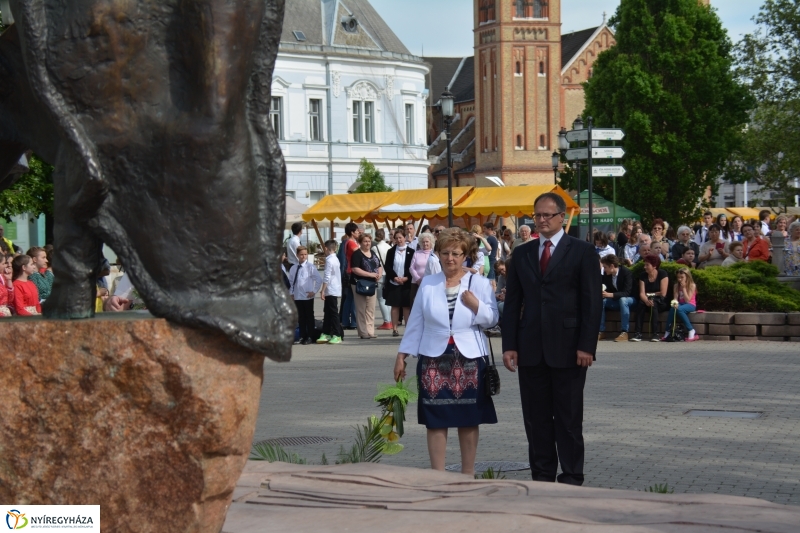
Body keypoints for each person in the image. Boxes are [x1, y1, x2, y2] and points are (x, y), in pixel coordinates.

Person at [501, 192, 601, 486]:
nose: (541, 220)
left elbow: (592, 303)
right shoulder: (521, 254)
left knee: (569, 419)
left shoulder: (582, 252)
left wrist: (587, 346)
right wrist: (509, 345)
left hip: (570, 349)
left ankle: (571, 476)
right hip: (530, 348)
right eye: (537, 215)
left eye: (547, 215)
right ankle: (542, 477)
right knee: (536, 419)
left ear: (561, 217)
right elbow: (512, 303)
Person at [394, 229, 498, 477]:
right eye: (445, 253)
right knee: (435, 416)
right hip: (432, 356)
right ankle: (437, 476)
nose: (450, 258)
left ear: (466, 256)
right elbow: (416, 321)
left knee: (468, 417)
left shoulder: (480, 284)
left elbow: (492, 319)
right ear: (438, 255)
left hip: (470, 357)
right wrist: (401, 355)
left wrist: (476, 306)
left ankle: (468, 474)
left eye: (456, 253)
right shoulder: (428, 283)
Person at [350, 233, 382, 340]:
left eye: (369, 241)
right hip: (359, 283)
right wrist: (370, 274)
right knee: (361, 308)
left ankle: (370, 331)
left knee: (371, 309)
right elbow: (355, 269)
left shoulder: (373, 252)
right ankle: (363, 332)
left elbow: (379, 265)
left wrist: (379, 274)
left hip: (372, 284)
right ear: (360, 242)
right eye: (365, 241)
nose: (367, 243)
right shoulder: (357, 254)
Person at [630, 255, 669, 342]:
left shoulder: (662, 274)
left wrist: (649, 295)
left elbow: (663, 293)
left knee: (653, 304)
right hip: (647, 299)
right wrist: (646, 300)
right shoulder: (643, 275)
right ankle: (638, 333)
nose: (645, 267)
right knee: (641, 304)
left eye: (647, 265)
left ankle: (655, 334)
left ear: (654, 266)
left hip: (661, 301)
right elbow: (642, 293)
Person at [288, 246, 322, 345]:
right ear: (297, 255)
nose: (303, 256)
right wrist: (291, 293)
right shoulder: (294, 268)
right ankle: (302, 336)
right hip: (297, 296)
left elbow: (318, 280)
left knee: (309, 316)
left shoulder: (310, 267)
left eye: (305, 254)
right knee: (301, 317)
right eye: (301, 254)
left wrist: (314, 291)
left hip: (307, 296)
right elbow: (291, 282)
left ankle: (310, 336)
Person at [384, 229, 414, 337]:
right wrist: (394, 277)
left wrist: (406, 278)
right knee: (395, 306)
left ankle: (408, 329)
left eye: (400, 237)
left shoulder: (411, 251)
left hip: (406, 282)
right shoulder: (391, 251)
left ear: (405, 238)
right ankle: (395, 329)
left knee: (406, 307)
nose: (399, 240)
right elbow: (387, 266)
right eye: (396, 238)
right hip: (394, 282)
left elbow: (412, 267)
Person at [598, 255, 634, 342]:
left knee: (623, 300)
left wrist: (610, 295)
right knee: (602, 301)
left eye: (605, 267)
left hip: (631, 300)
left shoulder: (626, 272)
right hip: (617, 301)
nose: (604, 269)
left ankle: (624, 332)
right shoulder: (607, 275)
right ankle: (601, 331)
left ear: (612, 266)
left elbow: (627, 292)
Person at [317, 240, 343, 345]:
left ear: (326, 248)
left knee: (332, 312)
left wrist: (322, 290)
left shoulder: (329, 260)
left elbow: (327, 276)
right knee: (328, 311)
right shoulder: (336, 259)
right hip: (334, 288)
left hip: (330, 289)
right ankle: (326, 332)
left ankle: (337, 334)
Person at [664, 268, 699, 342]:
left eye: (682, 277)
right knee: (672, 309)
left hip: (690, 305)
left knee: (679, 309)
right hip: (681, 304)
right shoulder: (676, 285)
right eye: (678, 277)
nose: (680, 279)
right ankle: (667, 331)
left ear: (687, 277)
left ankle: (691, 330)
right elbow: (675, 298)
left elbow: (687, 300)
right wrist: (674, 304)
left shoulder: (692, 285)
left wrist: (684, 289)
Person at [339, 223, 360, 330]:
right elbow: (360, 253)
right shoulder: (352, 243)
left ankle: (346, 321)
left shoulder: (348, 242)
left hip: (348, 272)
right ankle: (354, 322)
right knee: (354, 298)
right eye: (356, 231)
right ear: (352, 232)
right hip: (352, 272)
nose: (358, 232)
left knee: (349, 298)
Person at [373, 229, 393, 331]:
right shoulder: (389, 246)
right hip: (389, 274)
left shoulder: (375, 248)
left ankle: (387, 321)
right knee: (388, 298)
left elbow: (375, 263)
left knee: (381, 299)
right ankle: (390, 320)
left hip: (380, 274)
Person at [409, 232, 435, 304]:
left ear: (431, 242)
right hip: (416, 282)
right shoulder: (416, 253)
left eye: (427, 241)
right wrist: (418, 279)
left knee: (428, 303)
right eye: (423, 242)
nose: (425, 244)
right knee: (414, 303)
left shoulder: (434, 253)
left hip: (429, 282)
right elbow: (411, 268)